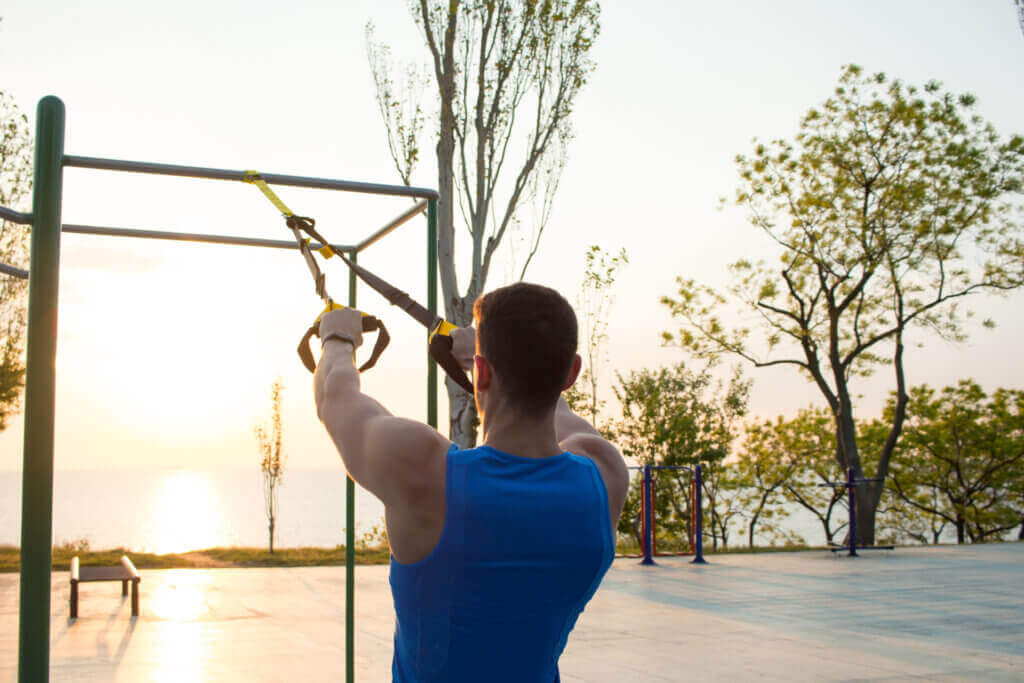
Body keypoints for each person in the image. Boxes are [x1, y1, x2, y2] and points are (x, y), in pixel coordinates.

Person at [314, 282, 629, 682]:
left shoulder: (423, 471)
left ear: (480, 372)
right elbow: (552, 404)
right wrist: (487, 355)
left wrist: (338, 336)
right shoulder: (604, 474)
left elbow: (334, 397)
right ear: (572, 372)